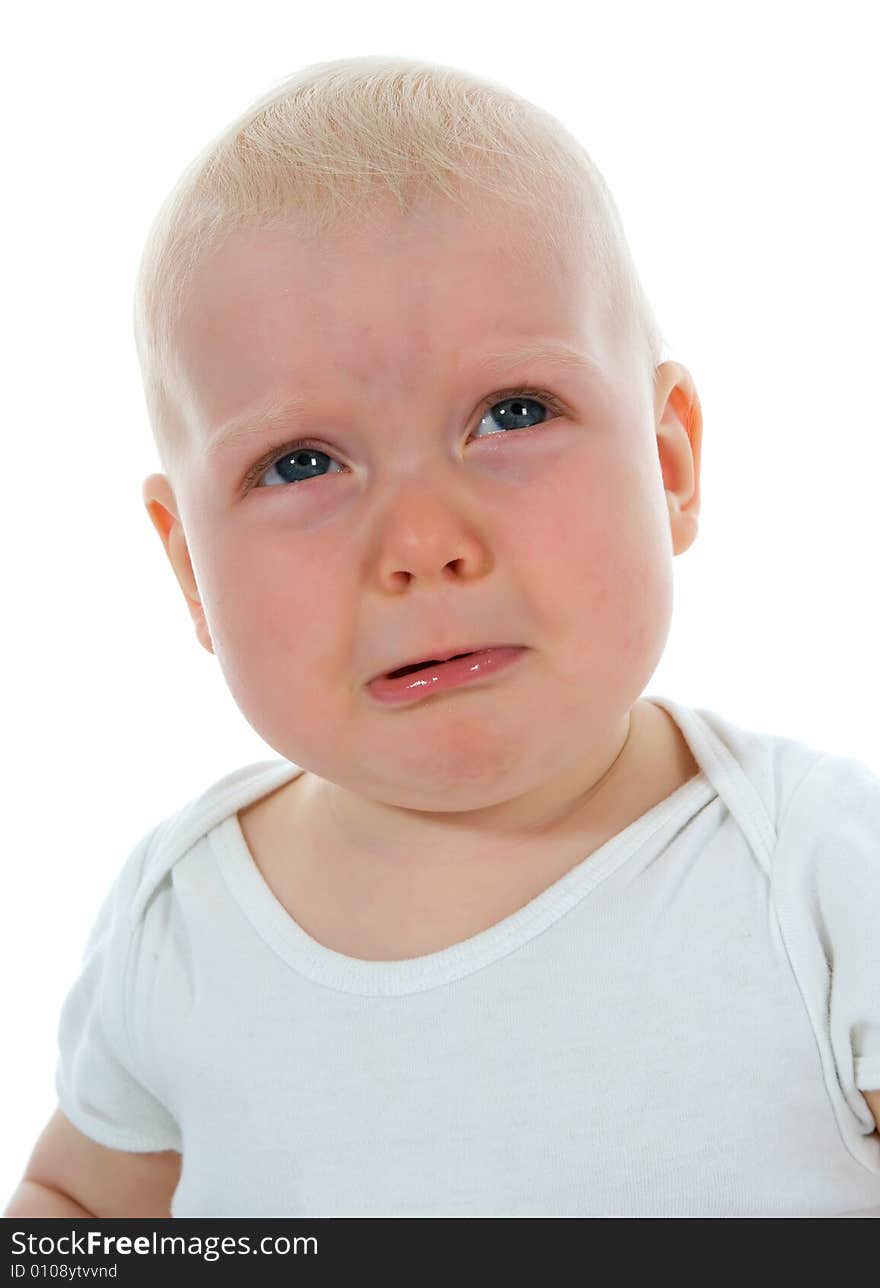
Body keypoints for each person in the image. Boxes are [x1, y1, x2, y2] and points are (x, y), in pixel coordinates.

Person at [6, 55, 880, 1219]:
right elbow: (78, 1207)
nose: (421, 540)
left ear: (667, 465)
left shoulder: (821, 874)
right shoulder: (183, 921)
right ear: (189, 568)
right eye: (301, 462)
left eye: (513, 413)